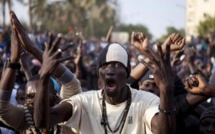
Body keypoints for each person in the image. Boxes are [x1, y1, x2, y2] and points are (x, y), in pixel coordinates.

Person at [34, 27, 177, 133]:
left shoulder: (146, 101)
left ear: (127, 74)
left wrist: (166, 90)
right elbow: (43, 122)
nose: (110, 71)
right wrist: (44, 77)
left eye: (117, 65)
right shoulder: (84, 102)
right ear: (99, 75)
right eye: (105, 66)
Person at [0, 11, 81, 134]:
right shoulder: (24, 119)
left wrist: (32, 48)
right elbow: (1, 108)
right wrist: (13, 60)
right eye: (29, 97)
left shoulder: (66, 111)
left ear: (55, 95)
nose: (33, 101)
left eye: (38, 95)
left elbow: (71, 83)